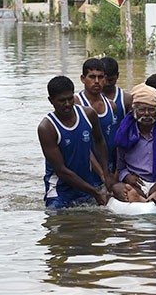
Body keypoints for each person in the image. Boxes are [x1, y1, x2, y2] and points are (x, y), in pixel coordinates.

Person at [38, 75, 115, 209]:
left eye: (70, 99)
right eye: (62, 101)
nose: (67, 104)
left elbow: (99, 141)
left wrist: (105, 173)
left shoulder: (89, 114)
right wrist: (95, 192)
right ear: (51, 101)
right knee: (56, 218)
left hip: (87, 184)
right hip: (60, 190)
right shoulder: (47, 128)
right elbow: (61, 170)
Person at [74, 58, 118, 175]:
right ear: (83, 79)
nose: (97, 81)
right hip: (84, 169)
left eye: (100, 77)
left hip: (106, 166)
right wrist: (102, 173)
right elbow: (80, 144)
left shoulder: (111, 105)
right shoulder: (75, 103)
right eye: (92, 77)